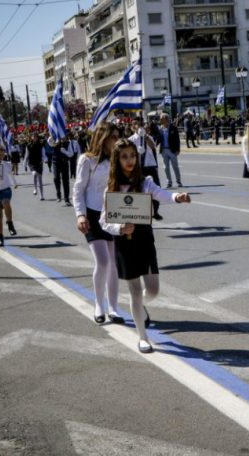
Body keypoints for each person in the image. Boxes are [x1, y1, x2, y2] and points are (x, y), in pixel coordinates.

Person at [100, 138, 191, 353]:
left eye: (132, 155)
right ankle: (142, 337)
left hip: (144, 239)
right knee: (134, 291)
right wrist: (120, 228)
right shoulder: (110, 189)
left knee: (153, 290)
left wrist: (178, 197)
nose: (129, 160)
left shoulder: (145, 182)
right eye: (124, 157)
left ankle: (140, 306)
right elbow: (104, 221)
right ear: (117, 160)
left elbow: (162, 195)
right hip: (124, 242)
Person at [73, 122, 124, 325]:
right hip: (93, 215)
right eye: (113, 137)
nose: (116, 141)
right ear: (102, 139)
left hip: (113, 213)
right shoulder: (87, 160)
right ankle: (99, 305)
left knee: (113, 263)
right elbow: (78, 190)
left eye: (118, 137)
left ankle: (113, 307)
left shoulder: (118, 159)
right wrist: (80, 215)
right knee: (102, 261)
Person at [129, 119, 163, 220]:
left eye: (140, 125)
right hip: (138, 168)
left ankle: (155, 211)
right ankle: (143, 214)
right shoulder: (130, 140)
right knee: (140, 192)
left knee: (156, 190)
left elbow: (153, 146)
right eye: (136, 125)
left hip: (150, 167)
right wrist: (135, 152)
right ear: (132, 127)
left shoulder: (149, 137)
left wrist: (145, 136)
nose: (138, 127)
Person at [156, 113, 182, 188]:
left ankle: (178, 181)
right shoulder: (160, 128)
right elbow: (158, 138)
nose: (160, 120)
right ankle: (169, 182)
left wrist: (178, 149)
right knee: (166, 167)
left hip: (172, 150)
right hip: (164, 150)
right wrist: (155, 145)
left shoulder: (173, 128)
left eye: (161, 119)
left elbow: (177, 139)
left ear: (165, 119)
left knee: (175, 166)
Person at [48, 135, 73, 206]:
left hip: (64, 163)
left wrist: (65, 151)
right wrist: (53, 134)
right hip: (56, 163)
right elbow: (49, 141)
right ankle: (58, 194)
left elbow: (71, 154)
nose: (63, 138)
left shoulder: (68, 143)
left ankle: (67, 199)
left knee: (65, 181)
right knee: (56, 178)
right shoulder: (55, 141)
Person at [23, 133, 46, 200]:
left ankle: (42, 195)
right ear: (31, 138)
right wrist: (25, 164)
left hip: (39, 163)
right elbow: (26, 155)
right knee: (34, 174)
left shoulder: (41, 145)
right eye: (33, 136)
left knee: (40, 179)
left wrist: (45, 159)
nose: (34, 137)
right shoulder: (28, 146)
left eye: (36, 136)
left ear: (37, 137)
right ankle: (35, 188)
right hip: (32, 163)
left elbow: (43, 154)